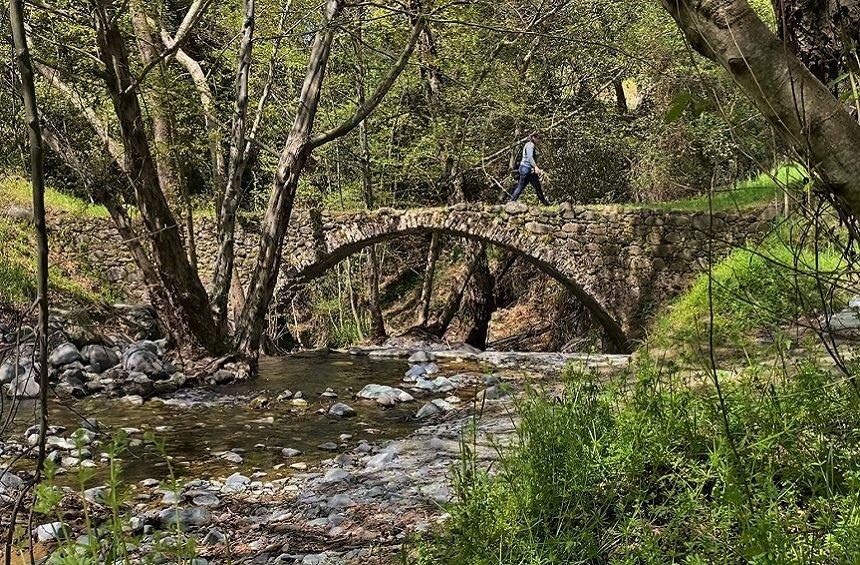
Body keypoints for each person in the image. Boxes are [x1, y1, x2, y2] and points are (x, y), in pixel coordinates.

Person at [510, 132, 550, 205]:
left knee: (537, 187)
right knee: (520, 187)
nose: (540, 141)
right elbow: (530, 157)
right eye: (539, 138)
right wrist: (536, 167)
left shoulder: (532, 145)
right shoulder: (530, 145)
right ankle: (511, 203)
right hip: (525, 168)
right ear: (534, 138)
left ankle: (546, 204)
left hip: (530, 170)